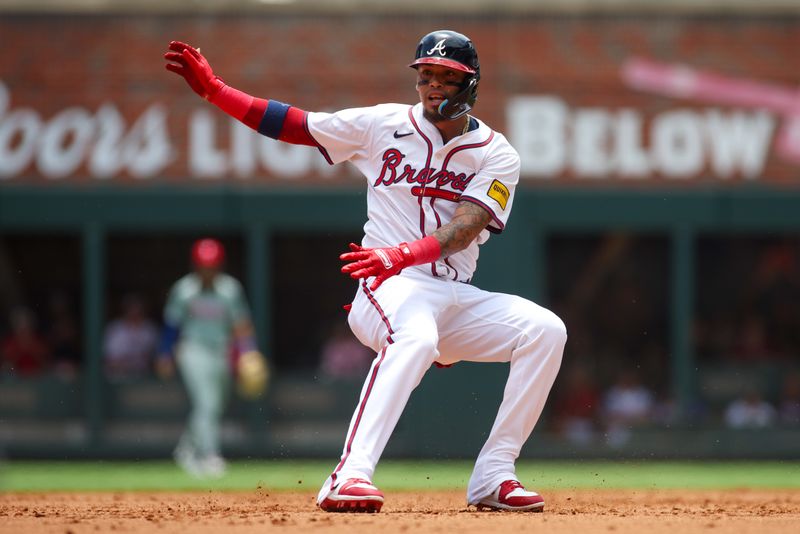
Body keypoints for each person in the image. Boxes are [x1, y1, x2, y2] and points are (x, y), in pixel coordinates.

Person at [165, 30, 567, 512]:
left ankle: (494, 475)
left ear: (471, 84)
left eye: (446, 77)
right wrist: (217, 92)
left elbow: (465, 228)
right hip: (388, 287)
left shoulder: (496, 153)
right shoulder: (384, 124)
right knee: (414, 337)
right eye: (425, 75)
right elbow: (295, 124)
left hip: (451, 293)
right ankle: (347, 476)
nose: (433, 85)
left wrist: (400, 253)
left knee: (546, 330)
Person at [157, 238, 265, 478]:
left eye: (212, 265)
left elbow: (241, 324)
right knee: (206, 402)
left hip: (221, 351)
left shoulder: (230, 289)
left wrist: (248, 351)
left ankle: (185, 450)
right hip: (192, 349)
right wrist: (165, 353)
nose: (208, 270)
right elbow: (172, 325)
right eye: (204, 265)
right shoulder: (184, 290)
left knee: (213, 405)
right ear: (196, 265)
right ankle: (210, 455)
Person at [103, 294, 159, 380]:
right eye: (131, 308)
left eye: (138, 309)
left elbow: (157, 360)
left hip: (144, 379)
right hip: (118, 379)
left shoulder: (150, 329)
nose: (135, 312)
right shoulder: (115, 329)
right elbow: (109, 360)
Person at [1, 305, 51, 377]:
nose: (23, 327)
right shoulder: (9, 343)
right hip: (16, 381)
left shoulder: (38, 342)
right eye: (19, 323)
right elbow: (6, 366)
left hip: (37, 379)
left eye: (26, 323)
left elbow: (46, 364)